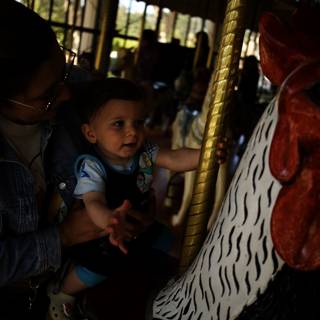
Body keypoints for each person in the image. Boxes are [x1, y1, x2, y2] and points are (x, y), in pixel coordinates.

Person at [0, 2, 149, 318]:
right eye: (48, 95)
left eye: (64, 72)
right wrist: (64, 235)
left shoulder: (77, 94)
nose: (67, 94)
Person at [46, 77, 202, 319]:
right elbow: (93, 202)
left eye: (138, 122)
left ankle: (184, 283)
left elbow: (174, 158)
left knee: (171, 242)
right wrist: (110, 219)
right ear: (91, 133)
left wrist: (206, 155)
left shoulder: (143, 153)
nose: (132, 131)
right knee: (96, 269)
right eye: (119, 124)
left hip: (136, 224)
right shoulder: (92, 165)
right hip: (101, 234)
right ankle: (62, 293)